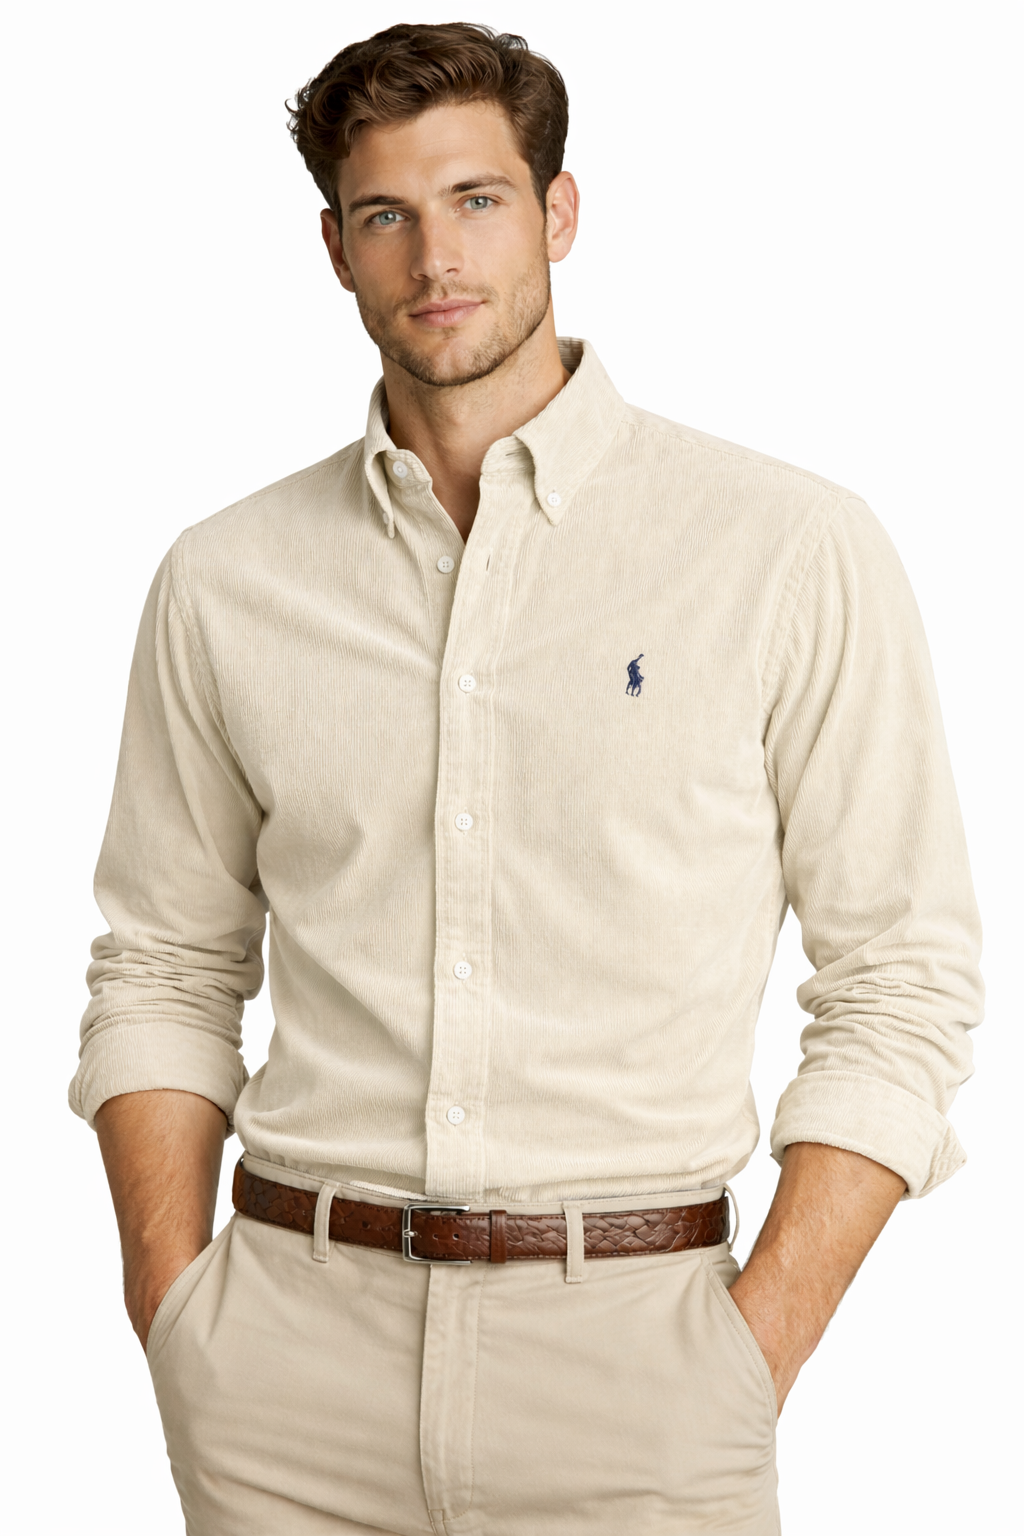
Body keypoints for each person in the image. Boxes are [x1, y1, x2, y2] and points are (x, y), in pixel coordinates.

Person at [71, 21, 983, 1536]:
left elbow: (902, 975)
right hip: (286, 1374)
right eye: (386, 214)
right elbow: (165, 960)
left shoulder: (783, 550)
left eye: (478, 200)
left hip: (642, 1375)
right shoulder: (226, 581)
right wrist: (173, 1308)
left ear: (559, 212)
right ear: (335, 250)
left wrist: (749, 1352)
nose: (436, 256)